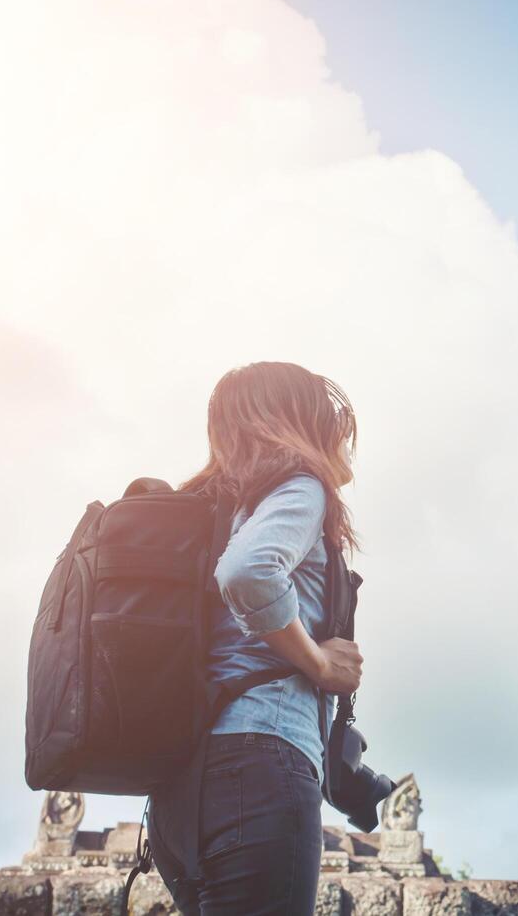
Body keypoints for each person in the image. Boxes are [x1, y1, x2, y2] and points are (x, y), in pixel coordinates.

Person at [149, 361, 365, 914]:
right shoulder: (300, 487)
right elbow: (248, 572)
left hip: (181, 793)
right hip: (260, 761)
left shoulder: (214, 513)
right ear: (301, 424)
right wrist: (318, 662)